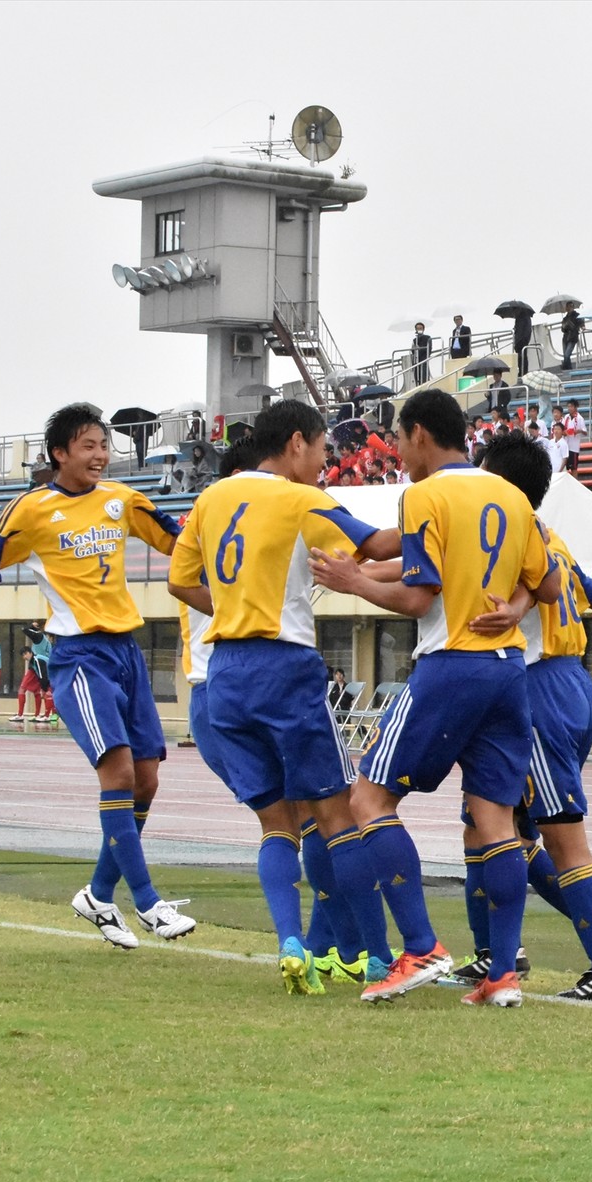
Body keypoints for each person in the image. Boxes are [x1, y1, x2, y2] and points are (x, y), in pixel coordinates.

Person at [305, 389, 564, 1009]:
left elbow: (422, 597)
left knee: (368, 798)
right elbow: (549, 582)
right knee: (496, 820)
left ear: (420, 434)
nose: (396, 450)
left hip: (451, 664)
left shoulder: (423, 495)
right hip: (508, 670)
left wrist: (352, 583)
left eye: (398, 437)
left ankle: (420, 946)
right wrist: (516, 608)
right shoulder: (510, 494)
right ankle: (502, 974)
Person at [170, 400, 406, 995]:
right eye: (323, 449)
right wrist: (442, 522)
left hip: (223, 672)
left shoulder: (211, 498)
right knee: (338, 818)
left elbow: (178, 579)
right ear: (296, 442)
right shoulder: (300, 498)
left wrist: (229, 611)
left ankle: (292, 943)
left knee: (277, 826)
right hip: (285, 666)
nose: (325, 462)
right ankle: (378, 958)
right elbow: (376, 546)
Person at [0, 401, 196, 949]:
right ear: (60, 454)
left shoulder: (123, 500)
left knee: (146, 781)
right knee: (116, 775)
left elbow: (179, 541)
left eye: (105, 446)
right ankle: (147, 902)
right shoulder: (31, 509)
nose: (101, 456)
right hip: (78, 657)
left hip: (127, 652)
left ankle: (97, 894)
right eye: (89, 446)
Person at [455, 429, 592, 999]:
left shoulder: (505, 538)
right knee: (490, 825)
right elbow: (586, 586)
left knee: (558, 834)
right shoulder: (547, 534)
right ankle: (499, 953)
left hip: (538, 692)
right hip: (569, 685)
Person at [20, 620, 56, 725]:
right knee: (44, 692)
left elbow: (24, 630)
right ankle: (46, 714)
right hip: (45, 666)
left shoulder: (39, 637)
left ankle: (48, 714)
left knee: (45, 690)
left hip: (43, 667)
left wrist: (31, 626)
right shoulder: (46, 642)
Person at [559, 400, 589, 473]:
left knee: (574, 468)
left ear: (576, 407)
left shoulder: (579, 418)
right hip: (565, 445)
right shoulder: (566, 417)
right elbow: (562, 429)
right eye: (568, 406)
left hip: (574, 447)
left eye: (571, 406)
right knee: (565, 467)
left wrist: (579, 431)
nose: (569, 408)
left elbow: (585, 432)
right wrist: (564, 432)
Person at [511, 307, 534, 376]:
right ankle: (521, 371)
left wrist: (524, 340)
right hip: (519, 341)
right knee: (520, 358)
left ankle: (524, 372)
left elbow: (526, 331)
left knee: (523, 357)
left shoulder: (525, 318)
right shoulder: (519, 319)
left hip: (522, 341)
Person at [411, 322, 432, 386]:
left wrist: (419, 349)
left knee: (424, 377)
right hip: (416, 362)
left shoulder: (427, 338)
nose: (419, 330)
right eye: (418, 328)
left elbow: (429, 349)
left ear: (423, 329)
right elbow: (413, 351)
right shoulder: (414, 340)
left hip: (423, 360)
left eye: (420, 328)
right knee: (417, 378)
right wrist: (414, 349)